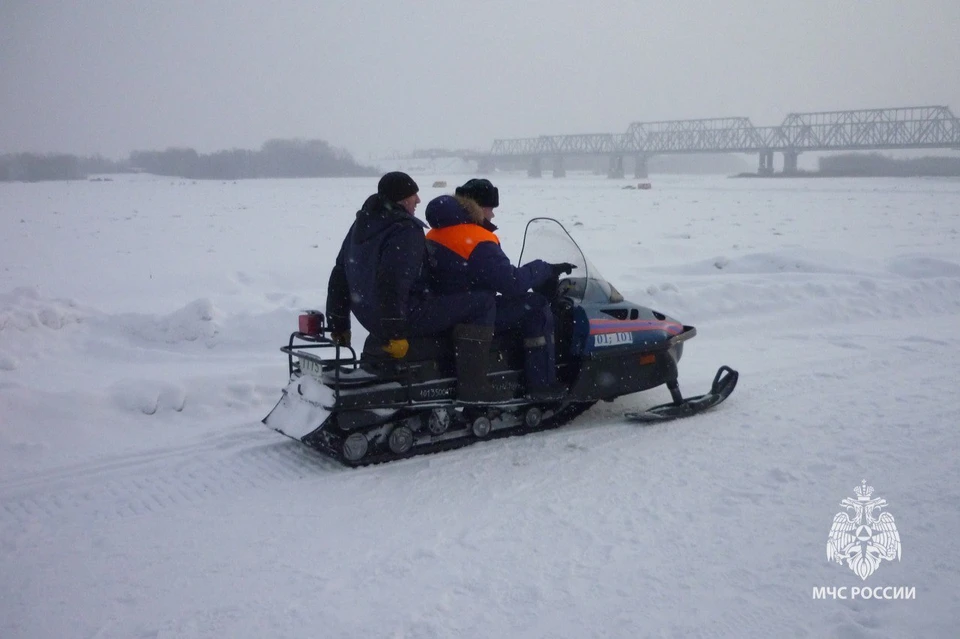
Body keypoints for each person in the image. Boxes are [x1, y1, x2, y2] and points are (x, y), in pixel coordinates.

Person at [325, 171, 503, 403]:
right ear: (401, 199)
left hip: (371, 315)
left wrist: (339, 324)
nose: (418, 200)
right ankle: (475, 388)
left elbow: (339, 273)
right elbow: (392, 282)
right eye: (413, 195)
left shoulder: (363, 224)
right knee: (482, 301)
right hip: (403, 316)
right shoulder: (405, 230)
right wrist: (396, 333)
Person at [424, 178, 575, 401]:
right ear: (478, 207)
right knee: (536, 306)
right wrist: (544, 269)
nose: (493, 215)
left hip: (449, 307)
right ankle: (541, 385)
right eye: (490, 208)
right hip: (474, 314)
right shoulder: (476, 239)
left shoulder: (438, 232)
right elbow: (511, 283)